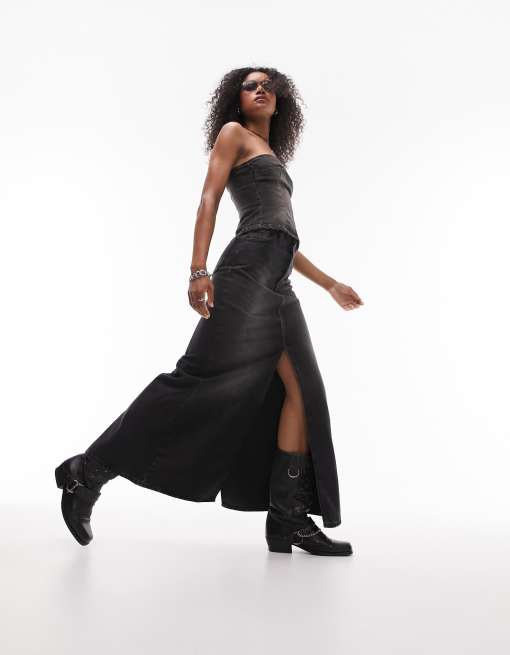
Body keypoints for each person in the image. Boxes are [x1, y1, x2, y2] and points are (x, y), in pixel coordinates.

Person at [55, 67, 364, 556]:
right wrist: (198, 269)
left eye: (268, 85)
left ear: (280, 101)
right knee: (200, 382)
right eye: (250, 85)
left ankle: (288, 520)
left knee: (304, 393)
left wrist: (329, 284)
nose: (260, 89)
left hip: (279, 279)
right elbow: (209, 198)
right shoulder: (233, 134)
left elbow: (283, 234)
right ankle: (86, 472)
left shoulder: (274, 157)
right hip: (245, 272)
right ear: (237, 99)